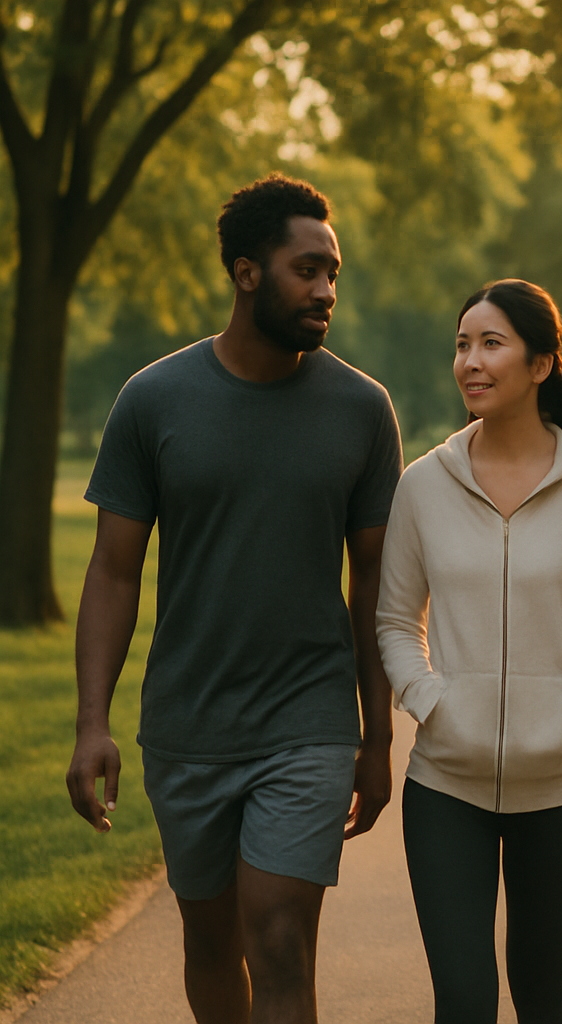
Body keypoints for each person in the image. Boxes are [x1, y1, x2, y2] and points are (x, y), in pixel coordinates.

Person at [66, 174, 403, 1024]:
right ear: (247, 273)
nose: (325, 290)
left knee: (280, 937)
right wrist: (91, 723)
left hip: (308, 720)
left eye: (332, 272)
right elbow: (113, 572)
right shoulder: (153, 400)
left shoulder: (363, 410)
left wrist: (377, 736)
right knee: (211, 944)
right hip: (190, 724)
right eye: (306, 270)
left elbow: (373, 584)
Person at [376, 280, 562, 1024]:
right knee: (464, 1000)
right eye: (462, 345)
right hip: (445, 786)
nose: (471, 361)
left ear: (541, 364)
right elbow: (395, 620)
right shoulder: (424, 485)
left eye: (491, 344)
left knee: (538, 990)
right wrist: (432, 703)